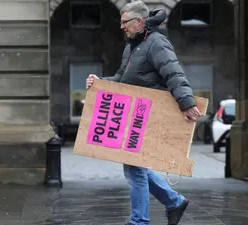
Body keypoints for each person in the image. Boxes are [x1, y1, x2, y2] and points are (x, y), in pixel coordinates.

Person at [86, 1, 201, 225]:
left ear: (139, 21)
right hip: (134, 115)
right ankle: (174, 202)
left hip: (148, 115)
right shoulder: (133, 46)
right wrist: (101, 83)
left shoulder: (157, 43)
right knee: (134, 166)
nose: (121, 27)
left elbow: (174, 73)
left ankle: (139, 221)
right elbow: (121, 80)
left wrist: (186, 102)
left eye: (125, 22)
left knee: (134, 169)